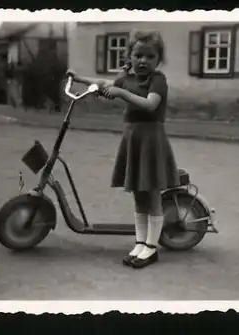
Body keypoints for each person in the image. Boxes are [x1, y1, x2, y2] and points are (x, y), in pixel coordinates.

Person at [67, 30, 179, 269]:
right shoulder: (126, 77)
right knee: (138, 193)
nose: (143, 61)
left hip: (150, 139)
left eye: (150, 57)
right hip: (132, 138)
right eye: (138, 55)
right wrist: (80, 79)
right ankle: (140, 242)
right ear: (130, 55)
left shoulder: (158, 80)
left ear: (158, 60)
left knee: (151, 193)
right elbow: (104, 84)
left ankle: (152, 246)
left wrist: (122, 93)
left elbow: (150, 104)